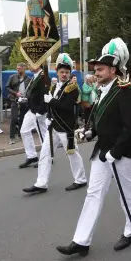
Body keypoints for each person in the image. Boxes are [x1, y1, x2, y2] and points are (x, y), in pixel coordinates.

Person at [57, 38, 131, 256]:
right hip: (102, 152)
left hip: (120, 152)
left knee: (127, 192)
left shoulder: (124, 91)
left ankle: (130, 231)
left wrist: (115, 152)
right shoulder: (102, 90)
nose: (96, 72)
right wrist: (90, 132)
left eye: (100, 68)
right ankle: (81, 241)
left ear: (113, 69)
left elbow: (130, 126)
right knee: (93, 193)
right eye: (95, 69)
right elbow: (100, 119)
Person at [23, 53, 87, 193]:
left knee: (72, 153)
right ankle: (41, 183)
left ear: (70, 73)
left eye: (66, 72)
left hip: (65, 127)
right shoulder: (54, 87)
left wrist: (50, 101)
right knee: (45, 154)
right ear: (57, 72)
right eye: (61, 72)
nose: (64, 74)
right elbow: (52, 106)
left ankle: (80, 179)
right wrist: (48, 115)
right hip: (53, 127)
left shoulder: (72, 88)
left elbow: (67, 107)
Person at [18, 64, 48, 168]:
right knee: (24, 131)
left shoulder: (43, 76)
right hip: (32, 109)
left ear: (38, 65)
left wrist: (42, 110)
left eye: (31, 64)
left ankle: (48, 157)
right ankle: (31, 156)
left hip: (39, 111)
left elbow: (45, 94)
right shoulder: (36, 76)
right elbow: (34, 93)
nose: (29, 66)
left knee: (43, 135)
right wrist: (26, 99)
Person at [6, 63, 31, 144]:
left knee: (23, 119)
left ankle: (20, 134)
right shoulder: (12, 77)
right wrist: (15, 93)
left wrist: (27, 96)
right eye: (17, 68)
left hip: (24, 101)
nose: (18, 69)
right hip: (15, 100)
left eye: (19, 68)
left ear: (24, 68)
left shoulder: (28, 79)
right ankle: (12, 137)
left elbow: (30, 90)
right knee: (14, 118)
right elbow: (7, 87)